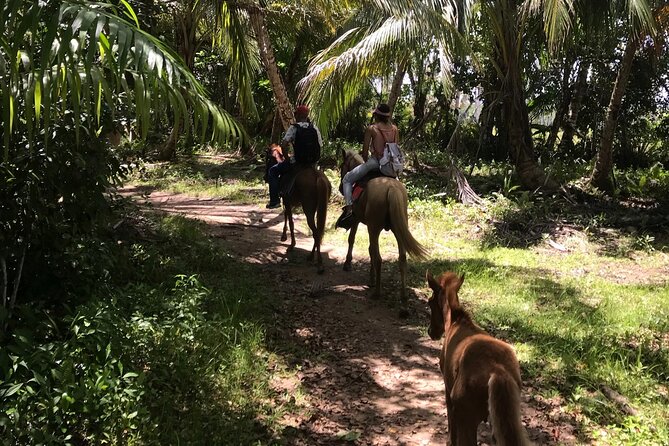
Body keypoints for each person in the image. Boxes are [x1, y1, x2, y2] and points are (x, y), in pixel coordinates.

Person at [337, 103, 399, 224]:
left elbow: (364, 154)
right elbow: (395, 149)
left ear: (376, 115)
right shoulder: (395, 129)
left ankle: (349, 209)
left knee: (347, 179)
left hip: (375, 162)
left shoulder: (372, 129)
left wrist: (365, 162)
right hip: (391, 166)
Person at [266, 105, 323, 209]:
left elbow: (284, 144)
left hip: (297, 162)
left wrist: (287, 158)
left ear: (299, 115)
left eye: (296, 114)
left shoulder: (294, 128)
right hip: (312, 163)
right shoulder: (314, 127)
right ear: (306, 115)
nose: (295, 116)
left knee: (272, 171)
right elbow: (320, 146)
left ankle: (274, 201)